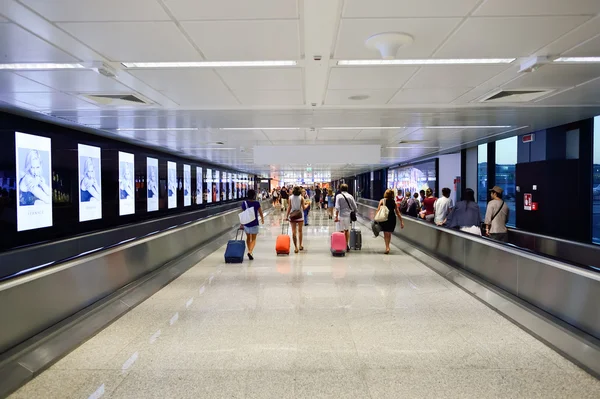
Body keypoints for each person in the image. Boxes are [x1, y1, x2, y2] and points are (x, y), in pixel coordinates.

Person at [376, 189, 404, 254]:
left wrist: (376, 218)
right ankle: (388, 246)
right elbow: (398, 212)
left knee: (385, 233)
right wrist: (401, 221)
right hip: (392, 218)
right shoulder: (394, 202)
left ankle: (387, 247)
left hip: (384, 218)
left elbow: (378, 210)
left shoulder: (382, 201)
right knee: (389, 233)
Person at [241, 189, 264, 260]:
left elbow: (243, 214)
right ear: (254, 195)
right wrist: (262, 219)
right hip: (254, 223)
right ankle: (250, 251)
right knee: (253, 239)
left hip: (246, 223)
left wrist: (242, 223)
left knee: (248, 238)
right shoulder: (256, 203)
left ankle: (249, 251)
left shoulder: (244, 203)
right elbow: (260, 212)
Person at [334, 183, 358, 252]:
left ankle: (341, 244)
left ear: (340, 189)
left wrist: (336, 217)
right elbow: (355, 207)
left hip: (340, 216)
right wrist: (354, 212)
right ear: (347, 189)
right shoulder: (350, 196)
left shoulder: (338, 196)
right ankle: (346, 244)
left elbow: (337, 207)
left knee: (341, 231)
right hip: (348, 216)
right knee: (346, 230)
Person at [287, 186, 308, 253]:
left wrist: (286, 216)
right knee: (300, 231)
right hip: (299, 216)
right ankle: (300, 245)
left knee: (293, 231)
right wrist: (308, 204)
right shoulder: (301, 198)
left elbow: (289, 207)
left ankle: (295, 247)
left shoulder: (290, 198)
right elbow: (304, 208)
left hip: (292, 216)